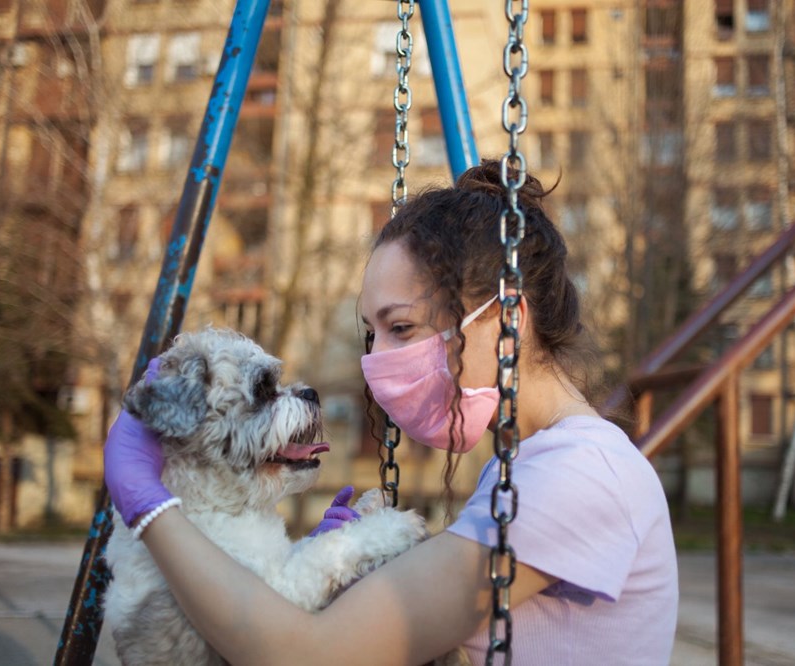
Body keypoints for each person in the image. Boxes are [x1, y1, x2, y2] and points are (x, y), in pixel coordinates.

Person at [104, 160, 679, 665]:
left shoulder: (577, 477)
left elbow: (305, 655)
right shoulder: (529, 465)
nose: (376, 359)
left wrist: (150, 506)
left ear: (506, 321)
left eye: (400, 327)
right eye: (372, 333)